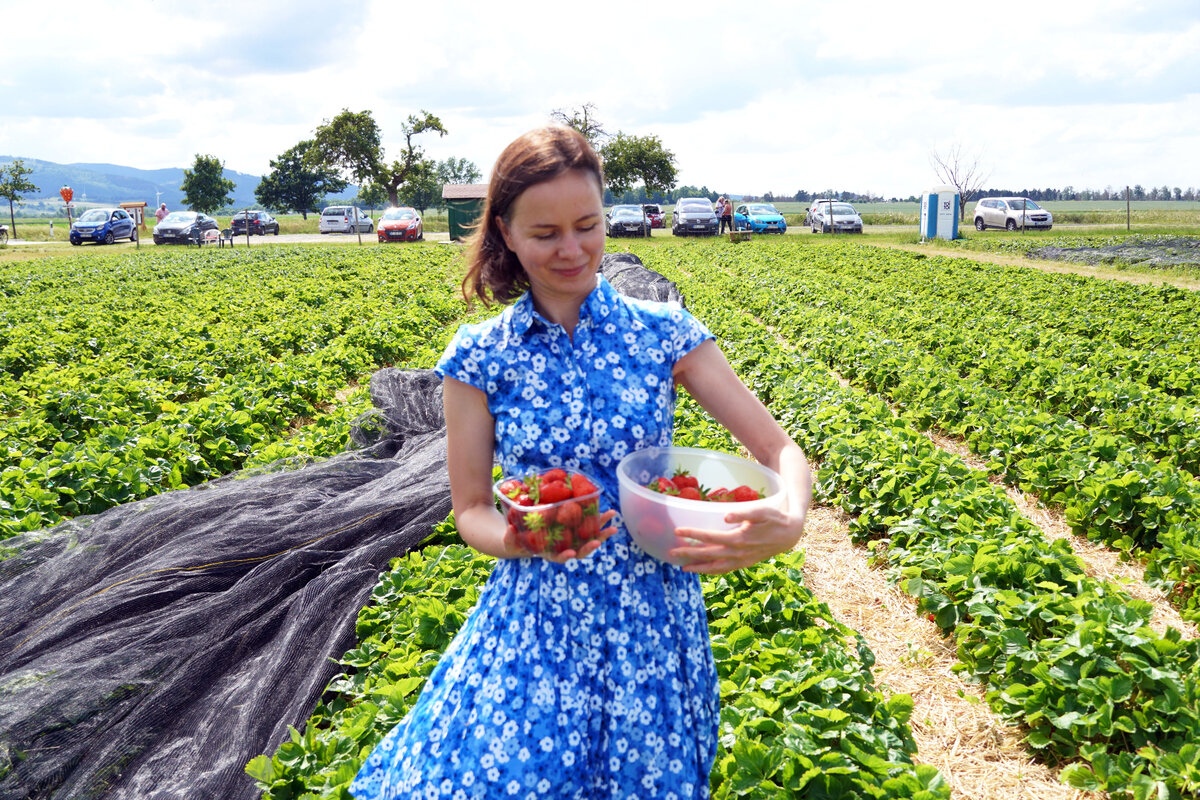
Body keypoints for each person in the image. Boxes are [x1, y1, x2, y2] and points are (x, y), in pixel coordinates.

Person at [349, 125, 811, 800]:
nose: (572, 250)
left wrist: (791, 515)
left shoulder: (664, 334)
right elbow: (472, 510)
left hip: (651, 621)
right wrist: (518, 535)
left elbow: (780, 451)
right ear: (505, 233)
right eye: (544, 234)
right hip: (538, 617)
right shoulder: (479, 357)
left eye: (587, 225)